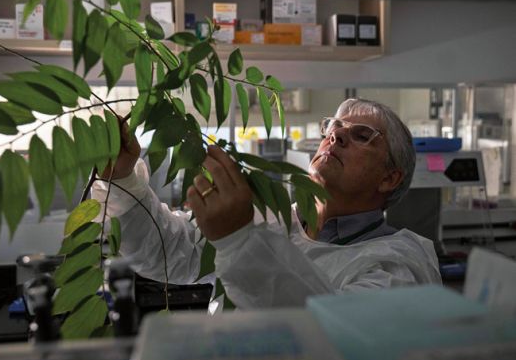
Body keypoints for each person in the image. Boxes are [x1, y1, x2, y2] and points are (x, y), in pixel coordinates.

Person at [92, 98, 442, 309]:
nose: (335, 137)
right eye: (333, 128)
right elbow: (164, 252)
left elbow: (330, 340)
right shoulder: (271, 221)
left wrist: (239, 241)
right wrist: (122, 177)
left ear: (389, 178)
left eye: (362, 135)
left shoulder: (399, 267)